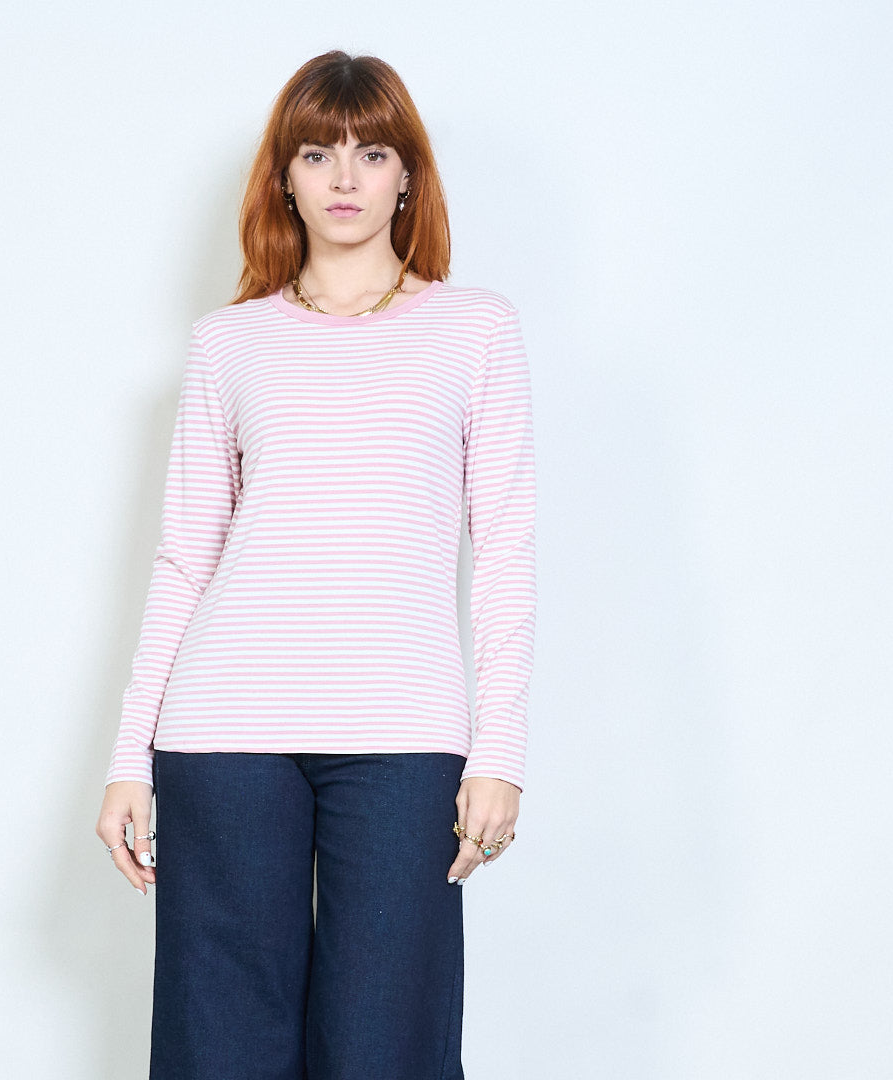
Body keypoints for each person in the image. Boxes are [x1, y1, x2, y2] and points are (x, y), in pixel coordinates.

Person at [95, 49, 537, 1080]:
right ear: (284, 178)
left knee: (387, 1048)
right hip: (222, 730)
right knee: (220, 1050)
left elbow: (507, 551)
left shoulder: (476, 329)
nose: (345, 178)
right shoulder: (228, 343)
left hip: (405, 734)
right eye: (317, 154)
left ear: (407, 177)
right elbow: (185, 558)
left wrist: (501, 750)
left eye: (372, 153)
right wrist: (128, 757)